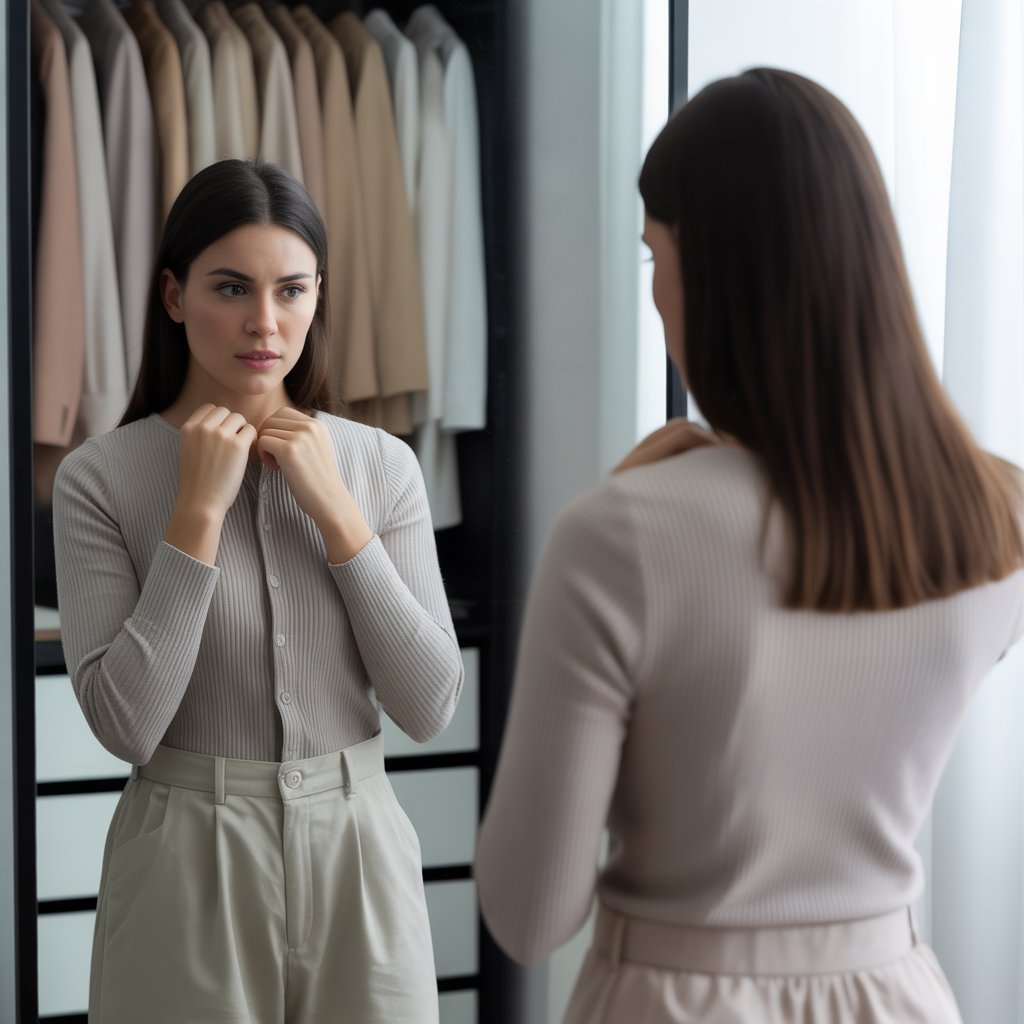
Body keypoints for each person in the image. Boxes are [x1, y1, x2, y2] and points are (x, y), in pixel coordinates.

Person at [474, 68, 1024, 1023]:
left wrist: (621, 501)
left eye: (656, 259)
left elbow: (529, 915)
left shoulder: (618, 537)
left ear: (716, 271)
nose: (655, 298)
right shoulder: (1000, 515)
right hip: (898, 996)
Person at [52, 159, 463, 1024]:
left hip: (359, 851)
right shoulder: (101, 478)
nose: (265, 322)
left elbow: (428, 706)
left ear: (319, 297)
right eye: (232, 288)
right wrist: (196, 512)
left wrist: (338, 515)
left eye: (292, 290)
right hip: (183, 862)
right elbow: (126, 724)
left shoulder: (381, 466)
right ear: (174, 295)